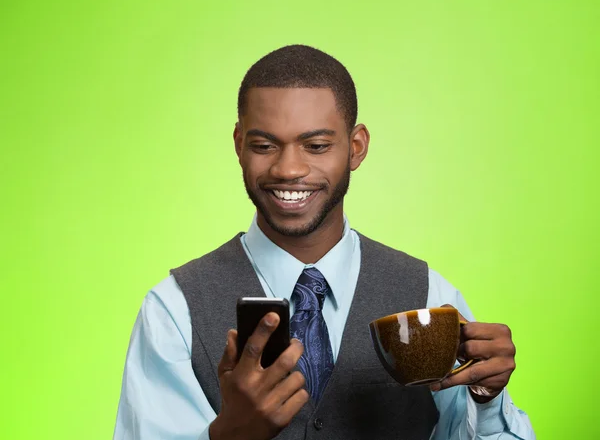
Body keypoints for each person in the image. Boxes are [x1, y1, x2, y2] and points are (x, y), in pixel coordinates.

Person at [113, 45, 535, 440]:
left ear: (356, 147)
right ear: (240, 145)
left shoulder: (429, 296)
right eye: (264, 145)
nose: (289, 168)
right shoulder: (174, 310)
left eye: (315, 145)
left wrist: (488, 399)